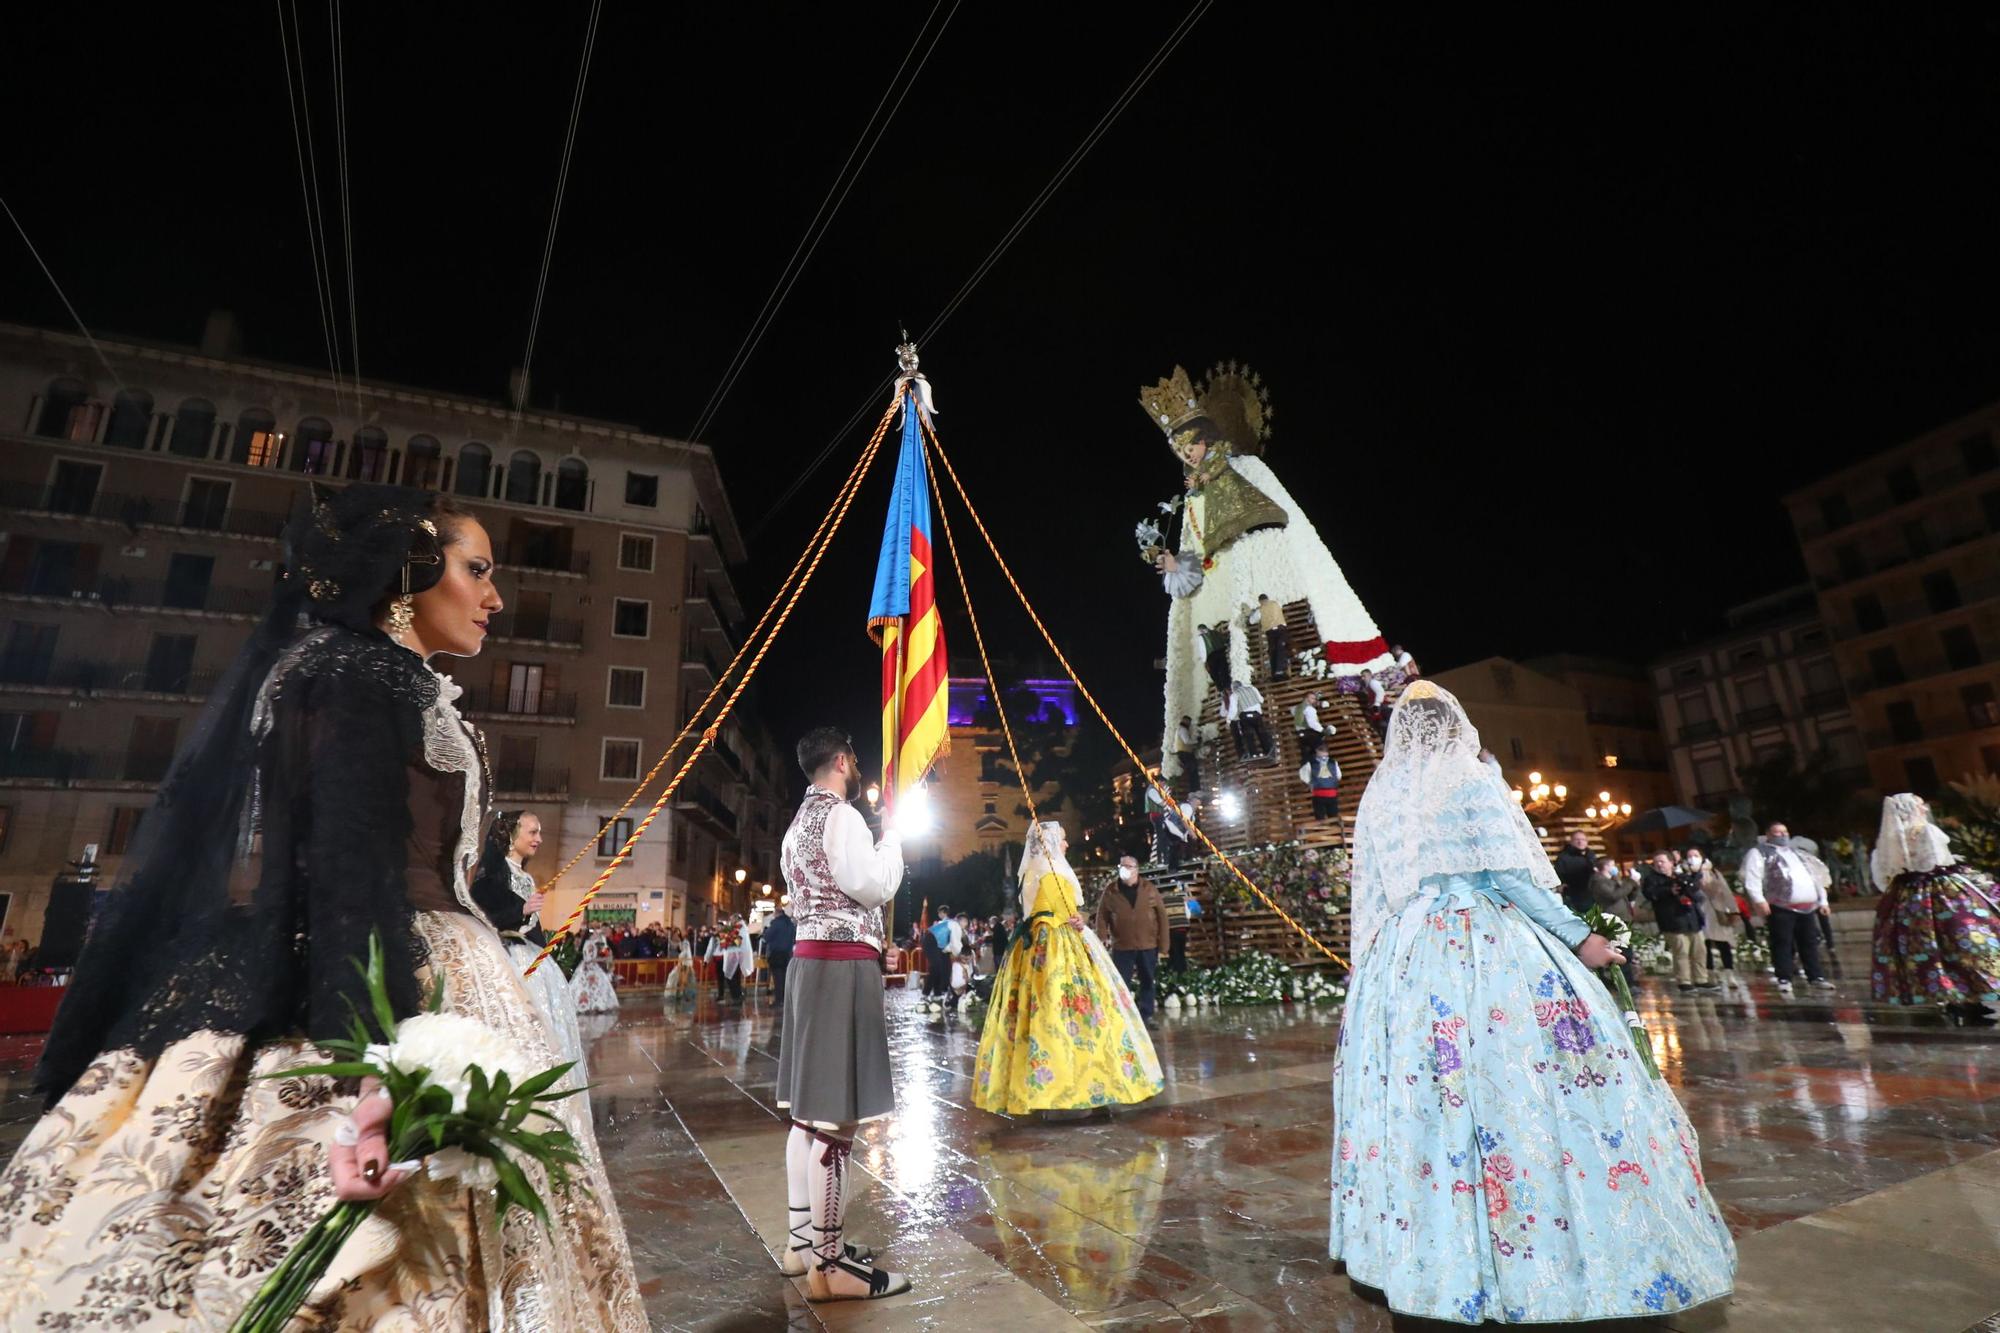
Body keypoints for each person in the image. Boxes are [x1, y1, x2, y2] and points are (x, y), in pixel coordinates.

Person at [0, 483, 643, 1327]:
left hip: (449, 964)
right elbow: (347, 870)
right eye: (475, 570)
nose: (494, 597)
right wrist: (378, 1079)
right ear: (410, 571)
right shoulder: (348, 674)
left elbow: (442, 861)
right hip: (388, 977)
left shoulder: (395, 681)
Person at [1329, 682, 1734, 1322]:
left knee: (1425, 1096)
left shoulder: (1380, 791)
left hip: (1403, 959)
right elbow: (1512, 876)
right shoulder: (1469, 776)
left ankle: (1431, 1249)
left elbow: (1372, 897)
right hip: (1481, 946)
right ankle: (1548, 1242)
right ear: (1456, 724)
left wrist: (1370, 974)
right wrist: (1581, 939)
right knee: (1522, 1086)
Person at [1142, 365, 1395, 774]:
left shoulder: (1249, 471)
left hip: (1273, 593)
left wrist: (1249, 551)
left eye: (1189, 444)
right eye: (1179, 450)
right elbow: (1193, 568)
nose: (1186, 455)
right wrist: (1174, 564)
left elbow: (1280, 532)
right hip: (1218, 605)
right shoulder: (1192, 499)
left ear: (1207, 437)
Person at [773, 726, 911, 1300]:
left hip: (809, 962)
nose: (857, 768)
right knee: (835, 1118)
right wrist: (893, 843)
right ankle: (830, 1267)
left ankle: (802, 1245)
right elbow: (869, 885)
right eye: (853, 758)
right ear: (839, 760)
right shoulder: (843, 817)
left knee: (807, 1114)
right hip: (839, 964)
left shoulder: (796, 824)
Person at [975, 822, 1165, 1115]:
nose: (1066, 845)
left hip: (1044, 942)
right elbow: (1055, 911)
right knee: (1077, 1013)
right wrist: (1073, 920)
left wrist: (1075, 918)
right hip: (1057, 946)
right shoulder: (1052, 870)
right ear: (1051, 842)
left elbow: (1048, 910)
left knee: (1043, 1014)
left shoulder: (1035, 870)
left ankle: (1044, 1087)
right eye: (1062, 840)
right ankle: (1077, 1084)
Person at [471, 808, 592, 1111]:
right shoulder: (497, 875)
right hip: (512, 961)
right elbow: (484, 914)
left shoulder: (524, 876)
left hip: (536, 962)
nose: (539, 839)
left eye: (539, 832)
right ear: (512, 837)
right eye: (532, 832)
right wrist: (520, 911)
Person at [1870, 793, 2000, 1025]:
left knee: (1932, 949)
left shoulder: (1892, 838)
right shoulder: (1926, 830)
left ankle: (1956, 999)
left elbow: (1886, 872)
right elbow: (1935, 861)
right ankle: (1970, 998)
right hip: (1941, 890)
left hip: (1908, 895)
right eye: (1920, 803)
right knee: (1966, 940)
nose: (1924, 806)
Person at [1741, 821, 1834, 994]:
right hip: (1781, 906)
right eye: (1778, 833)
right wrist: (1759, 900)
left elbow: (1815, 877)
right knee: (1782, 943)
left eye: (1785, 832)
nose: (1783, 836)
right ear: (1768, 834)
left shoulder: (1797, 853)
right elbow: (1752, 878)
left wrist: (1823, 901)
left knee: (1809, 942)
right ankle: (1784, 977)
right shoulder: (1758, 853)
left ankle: (1815, 976)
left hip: (1807, 906)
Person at [1094, 854, 1172, 1022]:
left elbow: (1162, 916)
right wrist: (1102, 936)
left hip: (1147, 944)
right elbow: (1102, 915)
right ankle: (1124, 1018)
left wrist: (1164, 944)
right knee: (1121, 984)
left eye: (1128, 866)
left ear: (1136, 870)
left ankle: (1147, 1015)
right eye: (1122, 866)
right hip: (1122, 946)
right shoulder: (1111, 891)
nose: (1124, 869)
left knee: (1147, 980)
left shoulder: (1149, 889)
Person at [1643, 851, 1717, 993]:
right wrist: (1669, 891)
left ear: (1671, 862)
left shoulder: (1680, 876)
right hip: (1673, 921)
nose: (1659, 864)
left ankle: (1701, 979)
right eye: (1656, 862)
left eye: (1662, 861)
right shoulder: (1652, 880)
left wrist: (1696, 875)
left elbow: (1693, 890)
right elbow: (1651, 894)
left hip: (1691, 919)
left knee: (1699, 951)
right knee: (1681, 952)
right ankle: (1684, 981)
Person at [1690, 848, 1743, 977]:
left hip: (1716, 912)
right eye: (1689, 856)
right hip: (1698, 912)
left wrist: (1733, 910)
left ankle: (1729, 971)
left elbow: (1726, 892)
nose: (1692, 858)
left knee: (1723, 942)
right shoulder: (1686, 874)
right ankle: (1709, 972)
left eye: (1696, 855)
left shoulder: (1713, 872)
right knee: (1704, 944)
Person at [574, 924, 621, 1013]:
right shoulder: (588, 942)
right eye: (594, 930)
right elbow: (586, 957)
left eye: (597, 930)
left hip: (597, 967)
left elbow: (606, 953)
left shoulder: (601, 941)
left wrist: (606, 957)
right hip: (587, 968)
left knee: (600, 986)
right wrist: (602, 958)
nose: (596, 932)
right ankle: (587, 1005)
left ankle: (598, 1005)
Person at [1553, 830, 1597, 916]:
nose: (1580, 842)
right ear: (1571, 841)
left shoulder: (1591, 855)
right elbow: (1558, 874)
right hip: (1574, 897)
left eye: (1583, 839)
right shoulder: (1564, 857)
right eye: (1577, 839)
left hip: (1593, 895)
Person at [1228, 678, 1273, 760]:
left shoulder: (1234, 695)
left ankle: (1253, 754)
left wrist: (1229, 719)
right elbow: (1261, 700)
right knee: (1261, 733)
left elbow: (1233, 710)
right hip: (1257, 715)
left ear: (1233, 688)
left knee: (1249, 736)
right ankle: (1268, 752)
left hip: (1245, 716)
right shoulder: (1252, 688)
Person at [764, 902, 797, 1010]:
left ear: (777, 913)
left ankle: (779, 1000)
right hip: (788, 954)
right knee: (786, 977)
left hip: (776, 954)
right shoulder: (790, 924)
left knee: (778, 978)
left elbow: (767, 937)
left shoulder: (776, 923)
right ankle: (786, 1000)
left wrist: (765, 931)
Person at [1299, 743, 1343, 824]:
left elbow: (1303, 776)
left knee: (1320, 817)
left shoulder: (1311, 763)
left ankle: (1322, 832)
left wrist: (1310, 782)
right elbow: (1339, 776)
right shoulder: (1333, 762)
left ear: (1317, 751)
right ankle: (1335, 832)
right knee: (1333, 815)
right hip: (1332, 793)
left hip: (1318, 793)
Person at [1257, 592, 1289, 679]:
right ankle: (1279, 671)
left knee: (1275, 650)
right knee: (1279, 649)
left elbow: (1253, 620)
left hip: (1272, 631)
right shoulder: (1275, 603)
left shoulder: (1261, 609)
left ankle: (1277, 671)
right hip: (1279, 629)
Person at [1199, 620, 1232, 696]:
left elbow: (1202, 650)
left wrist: (1205, 662)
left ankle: (1223, 688)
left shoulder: (1202, 638)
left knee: (1216, 673)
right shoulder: (1214, 633)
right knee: (1223, 670)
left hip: (1212, 656)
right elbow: (1223, 639)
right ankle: (1226, 687)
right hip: (1220, 653)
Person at [1292, 689, 1326, 757]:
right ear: (1306, 699)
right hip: (1311, 733)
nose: (1314, 700)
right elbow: (1312, 723)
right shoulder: (1309, 709)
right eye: (1312, 698)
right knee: (1320, 753)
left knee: (1306, 755)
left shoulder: (1297, 708)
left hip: (1301, 734)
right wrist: (1322, 730)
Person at [1174, 714, 1202, 792]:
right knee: (1193, 771)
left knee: (1191, 771)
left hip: (1183, 753)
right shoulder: (1183, 729)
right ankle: (1195, 789)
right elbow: (1187, 741)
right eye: (1189, 722)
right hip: (1185, 753)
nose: (1189, 724)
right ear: (1186, 721)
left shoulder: (1179, 729)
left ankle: (1194, 789)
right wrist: (1197, 741)